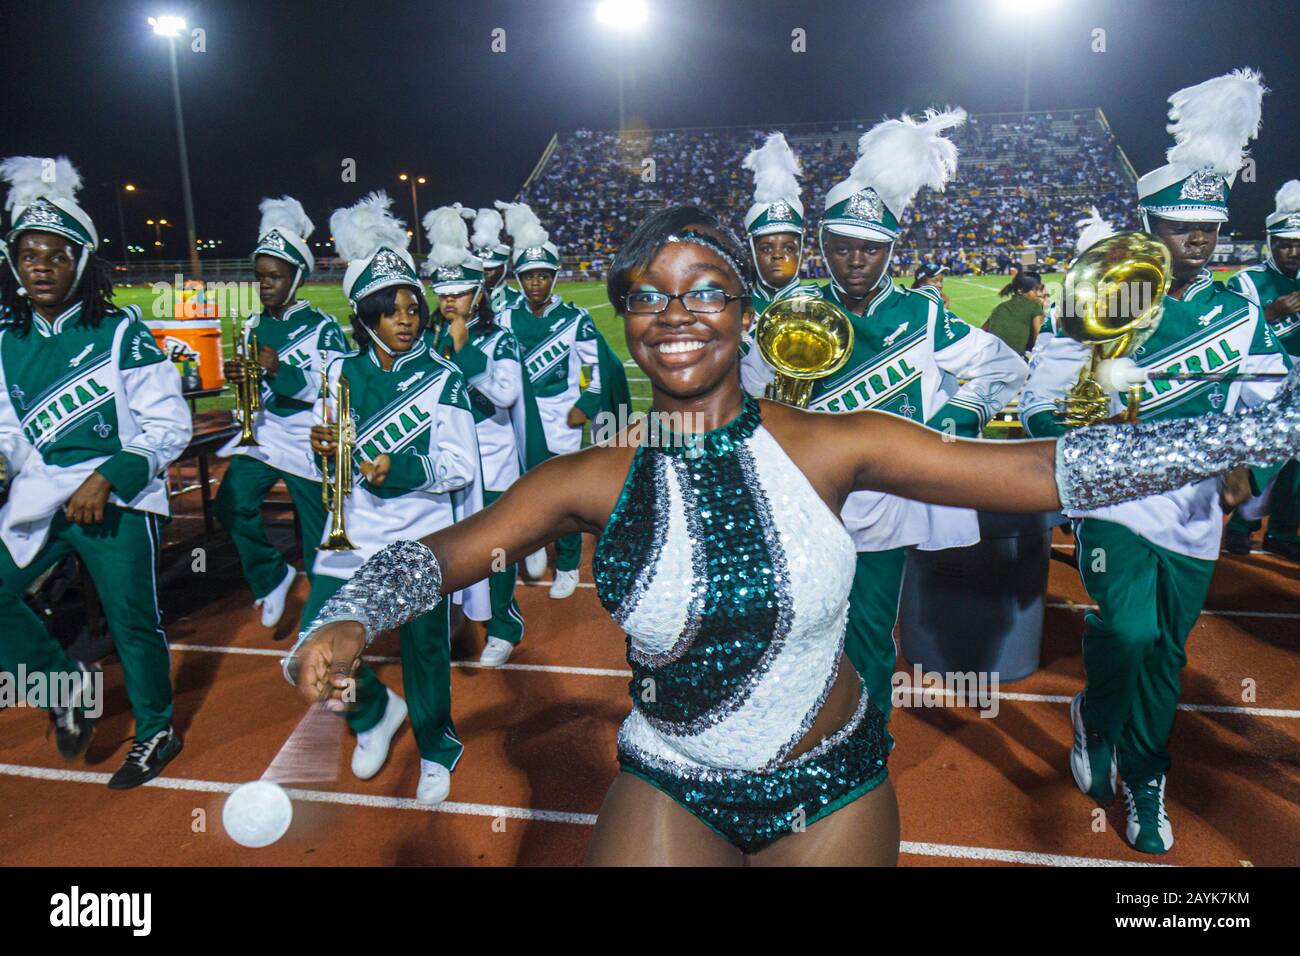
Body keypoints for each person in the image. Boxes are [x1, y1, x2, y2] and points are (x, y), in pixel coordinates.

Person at [287, 202, 1300, 866]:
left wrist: (1272, 425)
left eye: (706, 290)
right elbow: (445, 552)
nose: (676, 312)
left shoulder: (834, 444)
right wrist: (344, 615)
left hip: (829, 791)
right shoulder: (588, 476)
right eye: (650, 294)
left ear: (744, 309)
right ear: (629, 318)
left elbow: (1048, 468)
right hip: (670, 777)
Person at [1019, 69, 1287, 854]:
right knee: (1131, 633)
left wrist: (1249, 470)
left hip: (1196, 507)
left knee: (1165, 651)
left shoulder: (1240, 310)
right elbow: (1044, 389)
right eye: (1179, 228)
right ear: (1148, 226)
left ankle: (1121, 746)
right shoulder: (1103, 290)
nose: (1197, 243)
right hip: (1113, 497)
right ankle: (1127, 752)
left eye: (1207, 229)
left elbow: (1265, 405)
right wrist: (1064, 427)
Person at [742, 109, 1028, 723]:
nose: (854, 261)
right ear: (822, 248)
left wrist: (955, 418)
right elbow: (746, 392)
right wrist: (772, 405)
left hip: (885, 503)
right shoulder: (794, 307)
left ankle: (863, 744)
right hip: (806, 498)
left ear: (891, 251)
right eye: (841, 247)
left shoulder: (923, 315)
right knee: (797, 628)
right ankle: (800, 732)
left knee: (869, 630)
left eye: (869, 249)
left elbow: (1004, 367)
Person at [0, 156, 191, 788]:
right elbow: (8, 429)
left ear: (82, 261)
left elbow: (170, 427)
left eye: (56, 255)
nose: (42, 267)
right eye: (29, 255)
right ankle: (60, 690)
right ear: (13, 263)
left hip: (119, 497)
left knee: (132, 618)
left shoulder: (122, 333)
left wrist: (109, 475)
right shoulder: (4, 339)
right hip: (39, 494)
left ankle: (156, 728)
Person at [301, 192, 488, 804]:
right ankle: (372, 714)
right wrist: (322, 450)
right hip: (350, 534)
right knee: (316, 649)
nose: (407, 319)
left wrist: (401, 468)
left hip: (418, 535)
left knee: (424, 649)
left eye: (413, 308)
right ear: (365, 317)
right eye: (392, 310)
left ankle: (437, 747)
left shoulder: (444, 377)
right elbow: (324, 461)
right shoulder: (336, 375)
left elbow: (460, 466)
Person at [215, 197, 349, 628]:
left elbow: (334, 389)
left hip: (307, 438)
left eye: (275, 277)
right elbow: (256, 390)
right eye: (260, 278)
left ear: (297, 278)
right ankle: (271, 576)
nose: (266, 285)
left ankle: (327, 626)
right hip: (266, 434)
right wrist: (243, 377)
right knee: (231, 502)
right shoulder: (253, 326)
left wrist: (280, 369)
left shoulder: (322, 326)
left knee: (318, 541)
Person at [422, 205, 532, 667]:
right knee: (447, 543)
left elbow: (505, 395)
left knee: (495, 549)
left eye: (459, 292)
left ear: (477, 294)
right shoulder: (426, 338)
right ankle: (453, 614)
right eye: (442, 293)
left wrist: (466, 354)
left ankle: (504, 625)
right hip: (447, 459)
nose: (449, 301)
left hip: (494, 457)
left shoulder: (499, 338)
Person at [495, 202, 602, 599]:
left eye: (543, 275)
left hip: (562, 418)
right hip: (519, 419)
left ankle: (569, 565)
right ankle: (534, 542)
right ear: (519, 279)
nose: (536, 283)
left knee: (566, 497)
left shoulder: (577, 319)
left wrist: (586, 408)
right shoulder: (506, 318)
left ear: (555, 277)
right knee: (523, 489)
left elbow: (599, 372)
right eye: (528, 276)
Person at [1223, 179, 1300, 560]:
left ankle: (1283, 532)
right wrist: (1274, 313)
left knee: (1295, 466)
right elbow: (1231, 333)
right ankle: (1241, 526)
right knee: (1261, 455)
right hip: (1262, 380)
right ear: (1269, 241)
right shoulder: (1247, 281)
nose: (1291, 251)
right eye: (1283, 243)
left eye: (1298, 244)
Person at [742, 132, 815, 320]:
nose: (777, 255)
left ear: (801, 252)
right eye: (766, 248)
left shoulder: (823, 303)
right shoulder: (735, 307)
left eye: (789, 248)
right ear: (752, 252)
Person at [982, 270, 1048, 356]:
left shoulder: (1000, 307)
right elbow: (1039, 336)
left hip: (990, 356)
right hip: (1013, 359)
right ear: (1020, 290)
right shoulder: (1034, 305)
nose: (1039, 294)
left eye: (1040, 290)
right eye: (1035, 290)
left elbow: (983, 330)